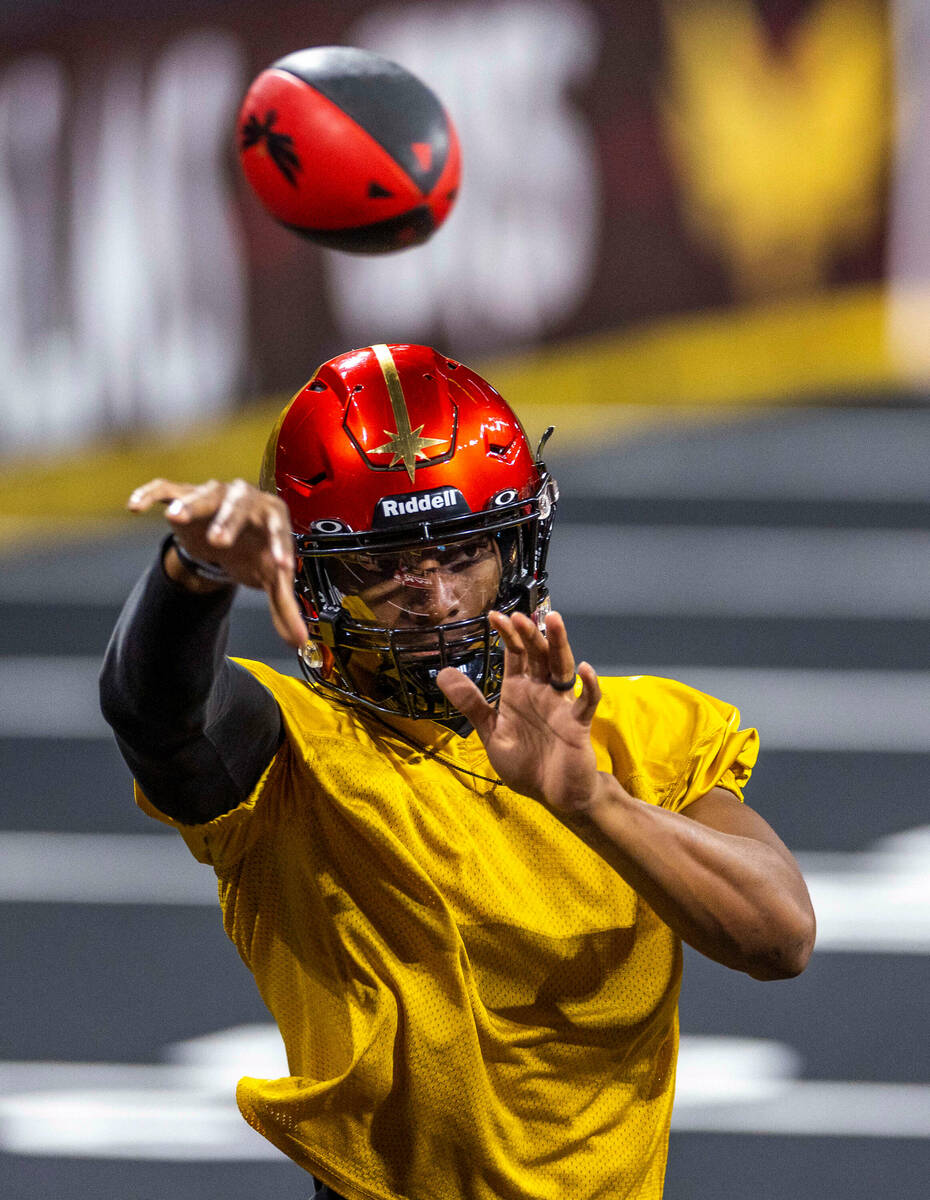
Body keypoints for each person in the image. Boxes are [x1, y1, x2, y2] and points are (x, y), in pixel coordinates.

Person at [99, 342, 815, 1200]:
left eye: (463, 553)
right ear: (314, 575)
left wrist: (594, 804)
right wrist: (195, 575)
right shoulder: (292, 759)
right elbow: (157, 716)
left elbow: (781, 936)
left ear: (517, 551)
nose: (435, 599)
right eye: (385, 564)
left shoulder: (638, 734)